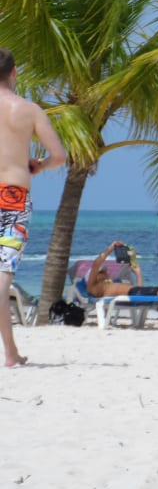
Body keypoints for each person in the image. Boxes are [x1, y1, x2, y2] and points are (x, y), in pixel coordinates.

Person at [0, 48, 67, 367]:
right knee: (2, 275)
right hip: (13, 196)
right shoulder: (28, 110)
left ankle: (12, 351)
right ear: (14, 73)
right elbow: (59, 156)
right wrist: (39, 165)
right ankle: (10, 353)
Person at [87, 241, 158, 298]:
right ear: (94, 276)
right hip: (133, 293)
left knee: (148, 292)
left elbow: (139, 290)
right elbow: (96, 264)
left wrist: (138, 273)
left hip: (134, 292)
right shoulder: (92, 287)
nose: (106, 272)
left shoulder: (111, 282)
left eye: (105, 271)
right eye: (102, 272)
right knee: (151, 292)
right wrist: (111, 248)